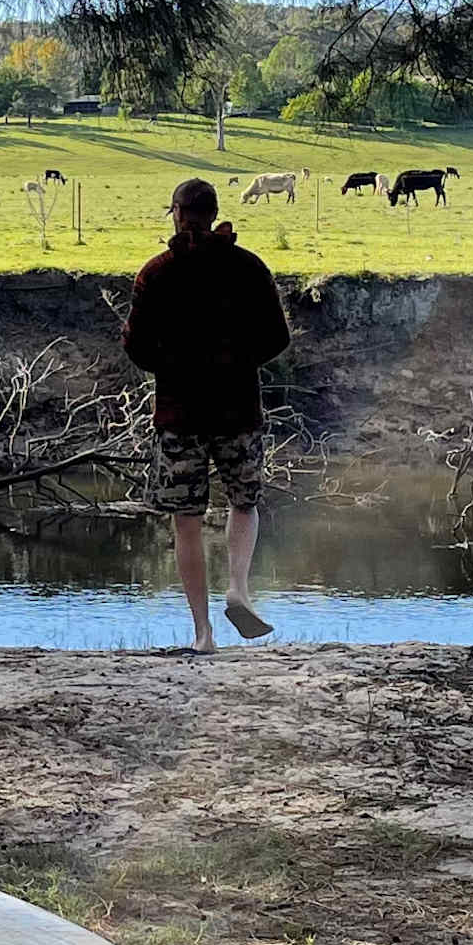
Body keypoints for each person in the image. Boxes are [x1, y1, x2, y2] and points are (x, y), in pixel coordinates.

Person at [120, 177, 289, 650]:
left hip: (178, 413)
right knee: (244, 502)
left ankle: (203, 633)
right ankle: (237, 585)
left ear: (176, 212)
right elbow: (277, 338)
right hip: (238, 409)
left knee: (186, 520)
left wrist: (170, 368)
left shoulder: (155, 273)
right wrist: (237, 362)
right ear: (214, 214)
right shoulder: (249, 268)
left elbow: (134, 344)